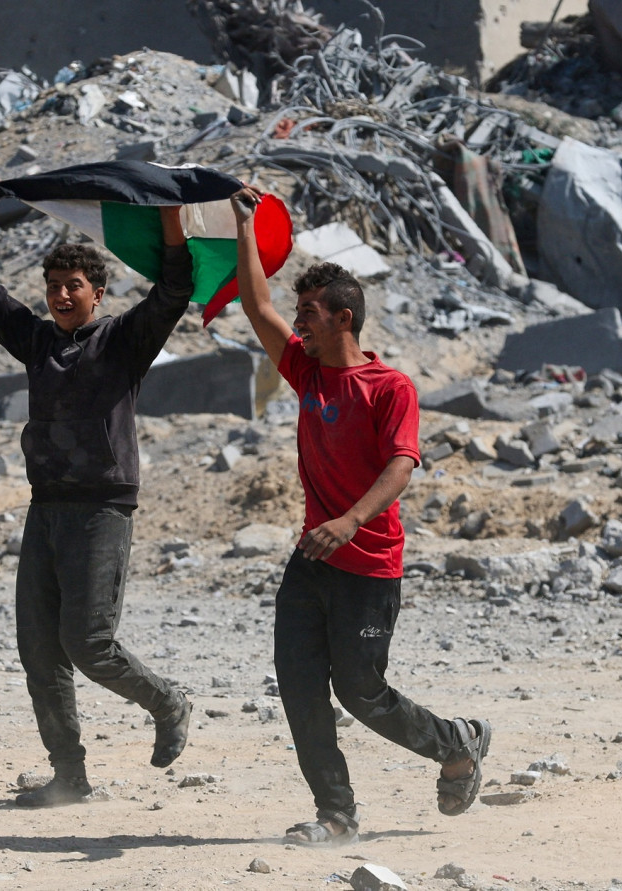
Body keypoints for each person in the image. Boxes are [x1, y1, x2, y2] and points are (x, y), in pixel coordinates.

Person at [229, 185, 491, 845]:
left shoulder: (389, 387)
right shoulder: (306, 372)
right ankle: (335, 814)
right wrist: (243, 224)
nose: (299, 323)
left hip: (369, 566)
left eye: (310, 312)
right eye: (299, 312)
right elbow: (256, 305)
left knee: (361, 690)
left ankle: (455, 743)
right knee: (299, 687)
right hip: (311, 560)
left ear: (343, 317)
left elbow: (402, 465)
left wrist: (349, 520)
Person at [0, 178, 193, 808]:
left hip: (102, 509)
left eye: (74, 286)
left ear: (98, 293)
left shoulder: (124, 340)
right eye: (54, 286)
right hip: (47, 508)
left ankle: (167, 700)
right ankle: (69, 776)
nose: (62, 295)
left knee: (89, 643)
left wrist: (171, 220)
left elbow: (174, 290)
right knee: (40, 651)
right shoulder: (38, 342)